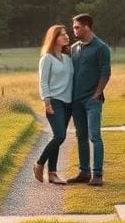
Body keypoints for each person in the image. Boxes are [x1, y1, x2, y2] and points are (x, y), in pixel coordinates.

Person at [67, 13, 111, 186]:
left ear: (87, 27)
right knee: (81, 136)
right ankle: (84, 173)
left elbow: (106, 72)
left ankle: (97, 175)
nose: (74, 30)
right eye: (74, 27)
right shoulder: (74, 48)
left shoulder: (101, 47)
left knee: (95, 137)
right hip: (76, 101)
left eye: (77, 27)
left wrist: (97, 93)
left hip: (92, 101)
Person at [34, 24, 73, 184]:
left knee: (58, 137)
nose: (66, 36)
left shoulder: (68, 58)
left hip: (68, 102)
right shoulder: (47, 58)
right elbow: (43, 82)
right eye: (62, 34)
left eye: (66, 33)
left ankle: (52, 173)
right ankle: (39, 164)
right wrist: (47, 102)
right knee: (59, 136)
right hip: (54, 101)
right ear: (54, 38)